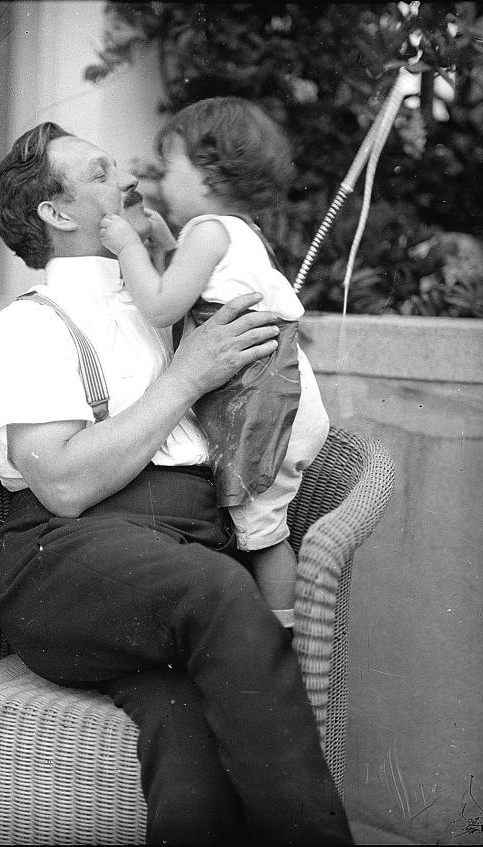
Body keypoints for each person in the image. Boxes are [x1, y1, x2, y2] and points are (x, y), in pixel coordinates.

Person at [0, 120, 352, 846]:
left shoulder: (168, 303)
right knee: (217, 590)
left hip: (177, 555)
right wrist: (186, 377)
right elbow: (66, 485)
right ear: (57, 212)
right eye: (101, 170)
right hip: (66, 560)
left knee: (190, 726)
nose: (128, 174)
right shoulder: (24, 330)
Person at [99, 97, 330, 630]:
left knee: (262, 532)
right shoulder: (233, 230)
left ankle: (285, 646)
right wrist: (161, 243)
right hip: (279, 397)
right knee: (260, 525)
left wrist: (129, 247)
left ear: (207, 174)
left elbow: (161, 306)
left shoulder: (208, 232)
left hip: (266, 412)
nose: (158, 181)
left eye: (168, 168)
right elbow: (189, 286)